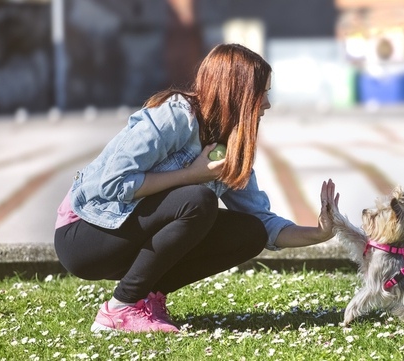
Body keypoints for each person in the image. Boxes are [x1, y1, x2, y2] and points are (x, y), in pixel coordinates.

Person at [53, 43, 339, 333]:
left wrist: (319, 232)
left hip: (127, 235)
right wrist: (190, 175)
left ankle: (147, 298)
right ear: (235, 91)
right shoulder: (175, 117)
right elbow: (112, 182)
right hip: (85, 234)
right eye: (261, 93)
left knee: (250, 232)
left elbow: (264, 224)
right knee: (198, 200)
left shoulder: (230, 144)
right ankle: (121, 308)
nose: (266, 103)